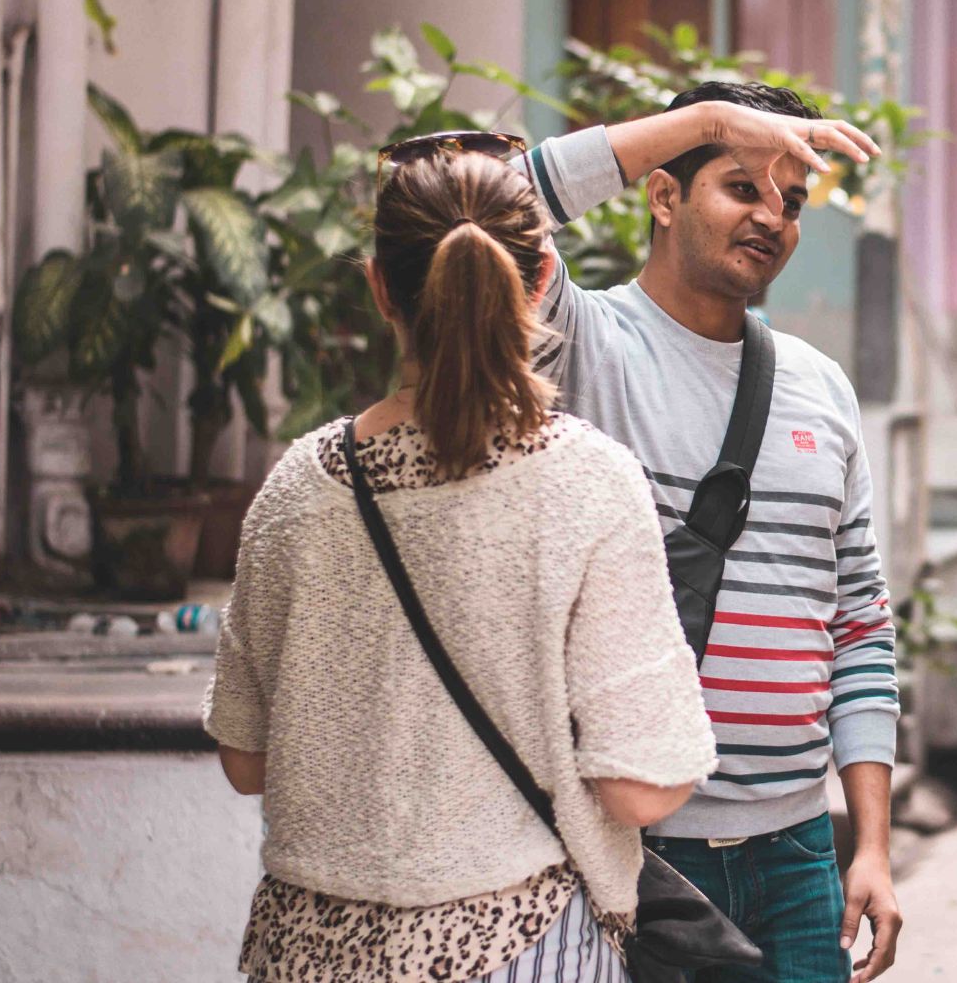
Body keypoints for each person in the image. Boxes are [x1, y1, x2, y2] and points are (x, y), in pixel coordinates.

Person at [203, 142, 721, 981]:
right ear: (541, 278)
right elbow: (641, 786)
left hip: (307, 951)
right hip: (518, 943)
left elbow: (244, 759)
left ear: (380, 287)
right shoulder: (586, 481)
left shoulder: (297, 487)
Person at [514, 84, 902, 982]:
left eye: (792, 201)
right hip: (633, 851)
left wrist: (872, 847)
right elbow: (490, 207)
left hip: (800, 855)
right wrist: (708, 124)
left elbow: (859, 625)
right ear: (663, 194)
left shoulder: (822, 388)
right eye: (741, 186)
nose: (772, 217)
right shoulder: (584, 343)